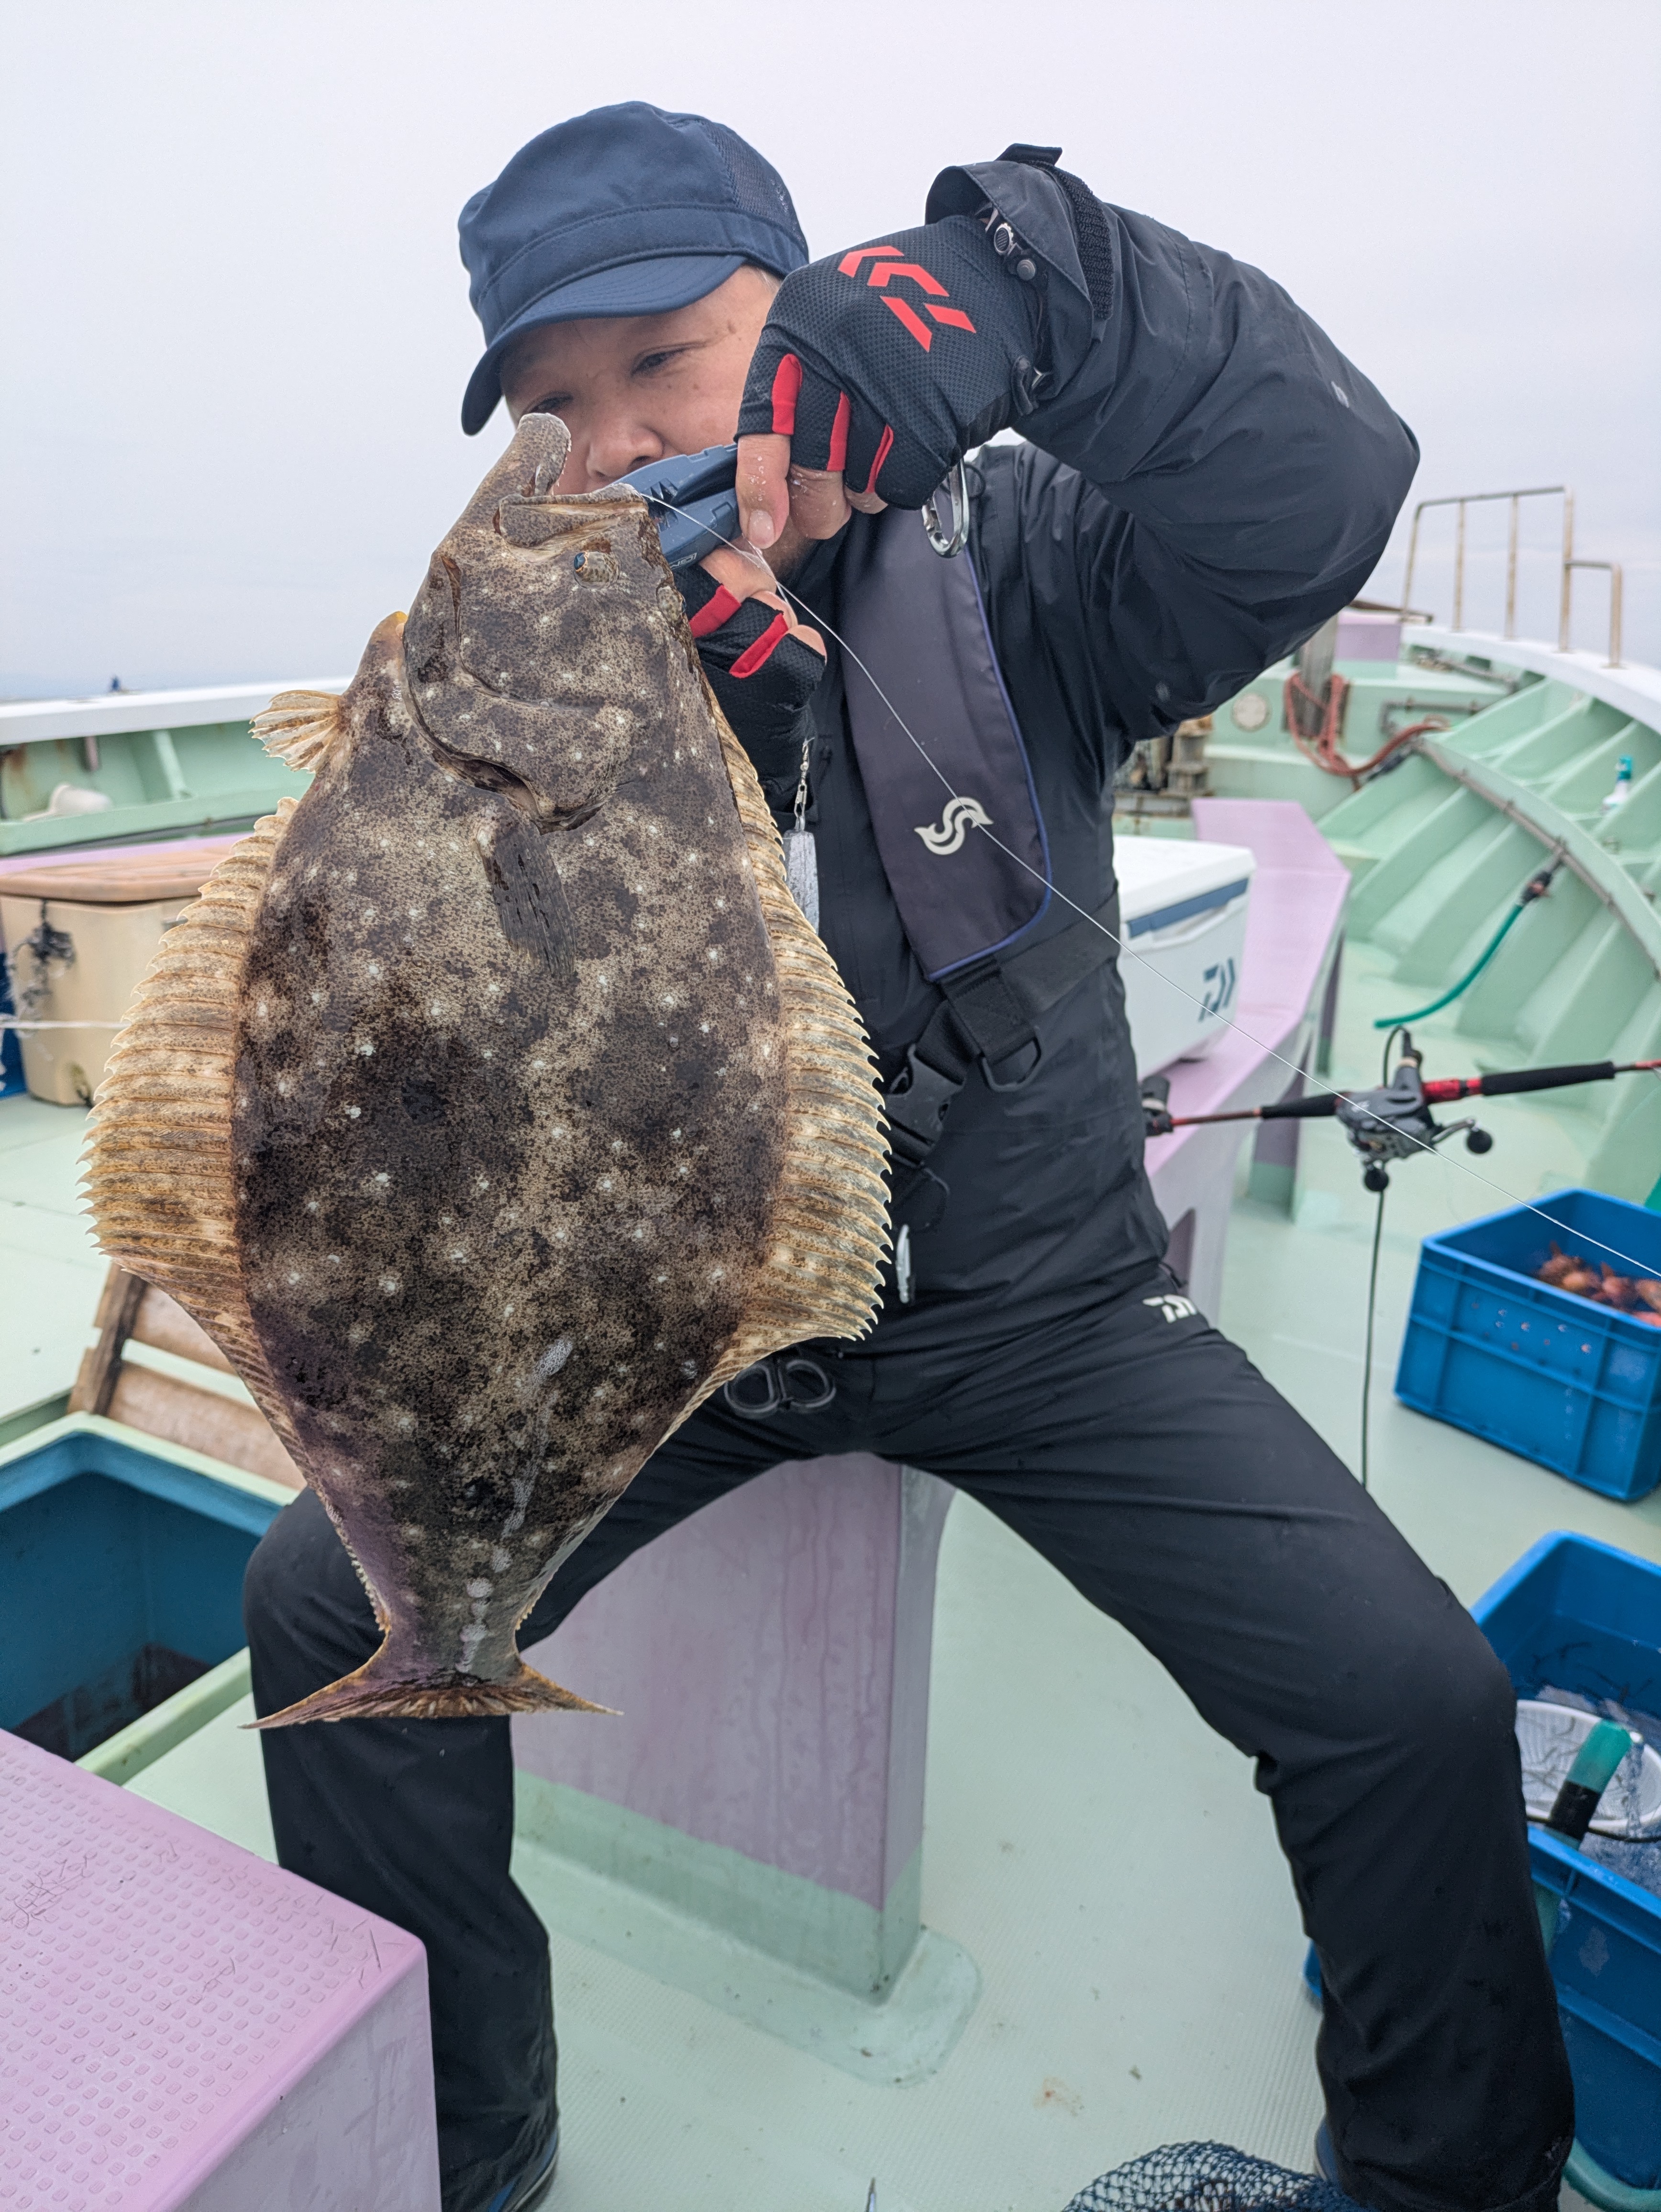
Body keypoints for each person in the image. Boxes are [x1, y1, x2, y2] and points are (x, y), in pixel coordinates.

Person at [244, 101, 1571, 2212]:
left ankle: (1435, 2184)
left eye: (662, 361)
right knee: (330, 1599)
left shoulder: (1029, 555)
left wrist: (1038, 286)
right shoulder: (517, 664)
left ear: (809, 321)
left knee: (1413, 1700)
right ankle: (473, 2128)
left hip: (1037, 1309)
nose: (605, 445)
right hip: (675, 1328)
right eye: (551, 407)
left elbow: (1324, 487)